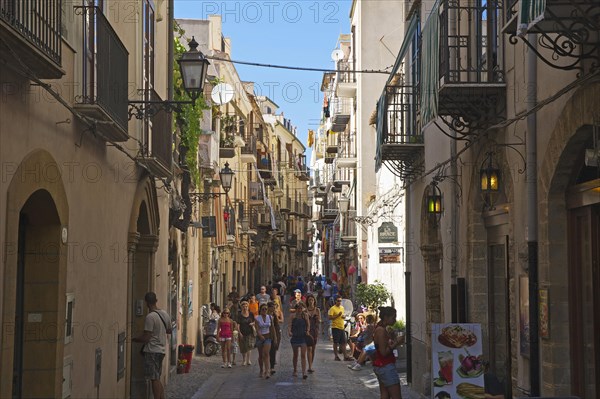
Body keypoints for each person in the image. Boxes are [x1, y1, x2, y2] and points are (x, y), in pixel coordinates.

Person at [132, 292, 171, 399]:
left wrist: (135, 339)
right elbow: (169, 330)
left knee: (154, 379)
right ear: (156, 300)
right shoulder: (164, 314)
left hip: (152, 350)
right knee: (157, 377)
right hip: (161, 350)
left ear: (146, 303)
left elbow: (146, 337)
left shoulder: (150, 317)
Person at [372, 306, 402, 399]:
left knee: (385, 395)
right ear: (386, 317)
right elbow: (384, 352)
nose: (395, 320)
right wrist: (397, 342)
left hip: (381, 366)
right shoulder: (381, 330)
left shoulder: (382, 328)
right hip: (385, 366)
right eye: (393, 317)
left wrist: (391, 337)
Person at [288, 302, 310, 379]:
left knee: (303, 355)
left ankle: (304, 372)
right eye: (298, 308)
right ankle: (295, 370)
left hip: (303, 337)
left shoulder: (305, 315)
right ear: (296, 309)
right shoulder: (292, 316)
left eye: (301, 308)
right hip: (295, 336)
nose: (299, 310)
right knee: (295, 355)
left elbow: (308, 325)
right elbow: (290, 325)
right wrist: (289, 331)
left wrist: (307, 331)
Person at [328, 296, 353, 361]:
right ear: (335, 301)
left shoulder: (342, 308)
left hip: (342, 326)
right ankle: (336, 356)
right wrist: (337, 316)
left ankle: (345, 356)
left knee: (343, 342)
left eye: (340, 301)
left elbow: (342, 315)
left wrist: (343, 316)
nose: (339, 302)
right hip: (335, 327)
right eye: (338, 301)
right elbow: (330, 317)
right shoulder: (332, 309)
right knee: (336, 342)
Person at [255, 304, 276, 378]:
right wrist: (260, 336)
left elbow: (272, 328)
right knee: (261, 355)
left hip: (267, 337)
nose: (264, 310)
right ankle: (261, 370)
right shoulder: (257, 318)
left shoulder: (270, 317)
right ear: (260, 310)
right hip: (260, 337)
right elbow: (257, 329)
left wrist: (274, 337)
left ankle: (267, 371)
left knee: (266, 354)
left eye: (266, 309)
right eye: (263, 309)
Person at [305, 294, 321, 373]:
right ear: (307, 301)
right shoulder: (305, 310)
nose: (311, 301)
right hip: (308, 331)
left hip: (315, 330)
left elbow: (319, 321)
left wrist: (318, 319)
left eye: (312, 300)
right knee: (309, 348)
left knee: (313, 349)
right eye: (309, 300)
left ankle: (311, 363)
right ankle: (310, 366)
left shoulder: (317, 310)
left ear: (314, 301)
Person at [237, 301, 255, 366]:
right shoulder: (239, 315)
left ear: (248, 307)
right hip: (242, 332)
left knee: (249, 346)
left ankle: (248, 360)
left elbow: (255, 321)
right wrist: (239, 333)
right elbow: (238, 325)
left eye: (246, 306)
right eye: (244, 306)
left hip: (249, 332)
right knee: (243, 347)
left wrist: (252, 324)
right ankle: (244, 360)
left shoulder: (251, 314)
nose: (245, 307)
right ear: (241, 307)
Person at [267, 302, 281, 375]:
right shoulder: (265, 315)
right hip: (267, 334)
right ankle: (267, 367)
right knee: (266, 352)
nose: (274, 308)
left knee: (273, 350)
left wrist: (277, 336)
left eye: (274, 307)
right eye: (272, 307)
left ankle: (271, 367)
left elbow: (277, 325)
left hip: (275, 334)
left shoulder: (274, 315)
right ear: (269, 307)